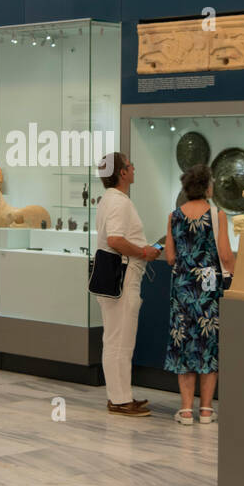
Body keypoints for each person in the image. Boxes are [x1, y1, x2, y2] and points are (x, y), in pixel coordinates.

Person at [163, 164, 235, 425]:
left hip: (183, 286)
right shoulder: (218, 215)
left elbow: (170, 257)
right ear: (207, 187)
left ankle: (184, 410)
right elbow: (225, 255)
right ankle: (205, 410)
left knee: (183, 344)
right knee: (207, 344)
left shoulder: (174, 216)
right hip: (208, 284)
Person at [95, 152, 160, 417]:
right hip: (124, 277)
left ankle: (120, 396)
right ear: (122, 172)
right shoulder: (119, 203)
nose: (134, 169)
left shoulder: (108, 200)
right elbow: (115, 239)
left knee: (114, 338)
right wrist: (143, 251)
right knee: (121, 340)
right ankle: (120, 400)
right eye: (131, 166)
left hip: (114, 278)